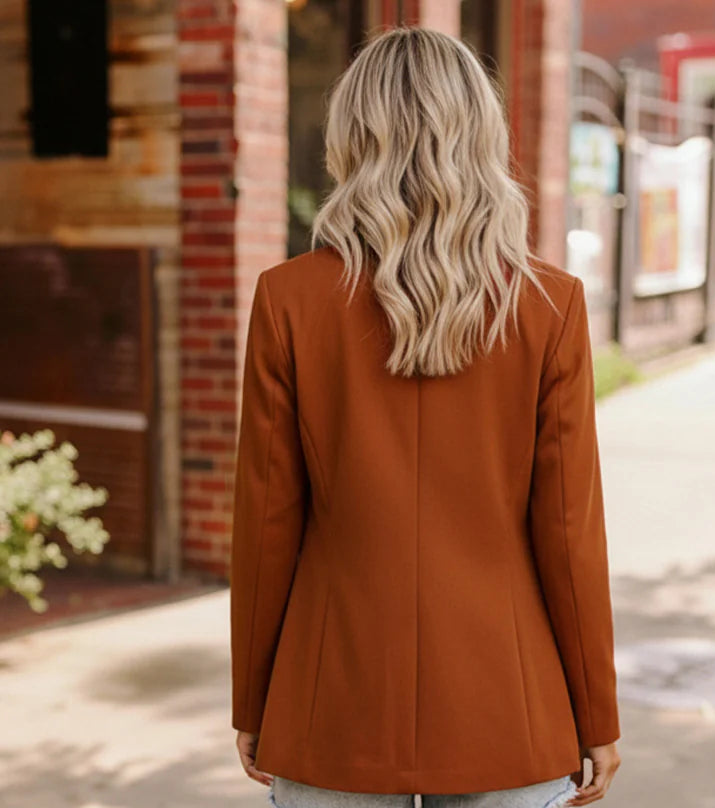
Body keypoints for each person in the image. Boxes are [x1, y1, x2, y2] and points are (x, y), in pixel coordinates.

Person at [230, 25, 621, 808]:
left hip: (330, 700)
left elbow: (267, 522)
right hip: (507, 702)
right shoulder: (548, 307)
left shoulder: (289, 299)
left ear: (350, 137)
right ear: (480, 136)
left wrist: (256, 700)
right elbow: (567, 532)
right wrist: (594, 714)